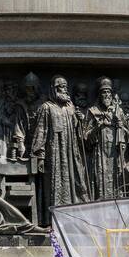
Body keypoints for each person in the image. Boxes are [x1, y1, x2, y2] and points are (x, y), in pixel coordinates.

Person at [31, 75, 90, 221]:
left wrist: (79, 121)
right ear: (53, 89)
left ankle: (72, 216)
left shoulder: (70, 108)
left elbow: (78, 133)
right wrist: (40, 156)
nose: (63, 90)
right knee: (54, 184)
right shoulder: (46, 108)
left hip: (70, 152)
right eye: (60, 87)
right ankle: (52, 218)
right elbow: (41, 132)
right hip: (54, 153)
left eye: (65, 87)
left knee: (73, 182)